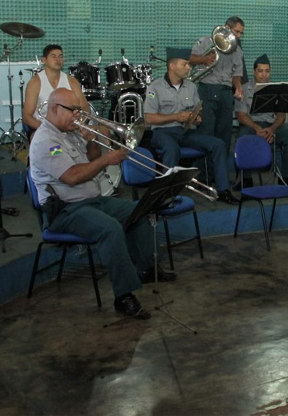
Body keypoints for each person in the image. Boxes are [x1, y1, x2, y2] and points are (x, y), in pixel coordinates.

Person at [29, 88, 175, 319]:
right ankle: (124, 295)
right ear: (55, 109)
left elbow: (92, 158)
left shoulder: (69, 131)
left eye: (79, 110)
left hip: (92, 201)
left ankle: (146, 268)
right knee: (110, 229)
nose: (78, 116)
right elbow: (73, 176)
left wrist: (93, 141)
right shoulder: (46, 140)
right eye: (73, 111)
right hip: (66, 211)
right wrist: (108, 159)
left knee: (141, 209)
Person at [144, 48, 239, 204]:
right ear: (172, 66)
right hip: (162, 133)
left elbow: (196, 111)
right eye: (185, 64)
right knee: (171, 148)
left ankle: (223, 190)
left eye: (188, 64)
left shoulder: (191, 87)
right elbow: (149, 118)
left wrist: (196, 119)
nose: (189, 68)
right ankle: (166, 195)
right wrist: (175, 116)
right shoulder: (155, 87)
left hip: (185, 131)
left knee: (218, 144)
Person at [235, 54, 288, 189]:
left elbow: (281, 116)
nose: (264, 75)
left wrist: (272, 129)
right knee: (243, 137)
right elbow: (241, 116)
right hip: (252, 125)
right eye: (260, 71)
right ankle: (246, 179)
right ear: (254, 71)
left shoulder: (278, 89)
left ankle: (285, 178)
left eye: (267, 71)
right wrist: (257, 128)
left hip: (272, 126)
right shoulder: (244, 89)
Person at [190, 16, 245, 152]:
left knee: (224, 132)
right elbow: (189, 58)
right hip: (207, 89)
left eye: (240, 33)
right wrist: (203, 59)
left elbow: (236, 74)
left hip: (225, 92)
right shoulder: (206, 41)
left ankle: (221, 168)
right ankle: (204, 170)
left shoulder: (237, 51)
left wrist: (237, 87)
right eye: (236, 32)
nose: (238, 36)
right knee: (206, 130)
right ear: (227, 28)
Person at [22, 44, 91, 135]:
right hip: (43, 128)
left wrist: (80, 125)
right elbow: (27, 117)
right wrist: (48, 129)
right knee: (54, 148)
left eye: (60, 56)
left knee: (102, 133)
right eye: (53, 56)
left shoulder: (72, 81)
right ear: (44, 60)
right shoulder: (35, 82)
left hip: (70, 128)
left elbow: (85, 109)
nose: (58, 59)